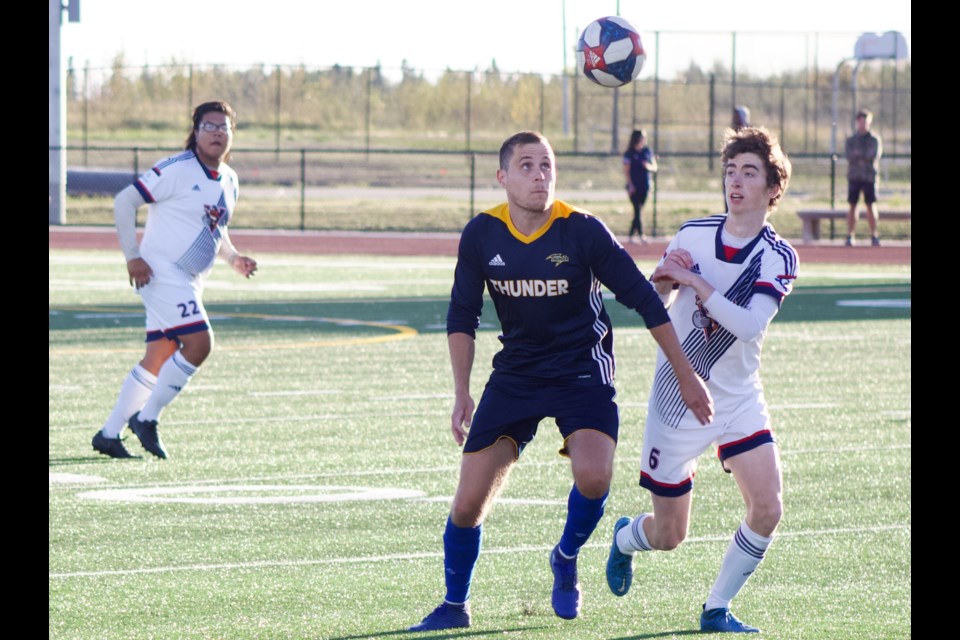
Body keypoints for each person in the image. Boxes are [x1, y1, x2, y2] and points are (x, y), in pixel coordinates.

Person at [407, 131, 714, 632]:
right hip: (517, 376)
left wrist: (686, 375)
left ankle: (566, 555)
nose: (539, 175)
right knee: (466, 504)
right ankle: (454, 605)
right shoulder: (482, 234)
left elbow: (643, 298)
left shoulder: (583, 230)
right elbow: (462, 314)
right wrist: (461, 393)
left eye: (547, 165)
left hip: (582, 372)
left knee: (595, 477)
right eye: (527, 166)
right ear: (503, 177)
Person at [605, 126, 798, 634]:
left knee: (768, 508)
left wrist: (697, 281)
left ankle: (716, 609)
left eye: (749, 173)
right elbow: (661, 305)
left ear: (773, 189)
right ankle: (626, 537)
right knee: (670, 535)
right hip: (677, 398)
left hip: (736, 398)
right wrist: (667, 282)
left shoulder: (778, 255)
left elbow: (750, 323)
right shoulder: (693, 235)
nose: (735, 181)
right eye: (730, 171)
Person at [91, 100, 258, 460]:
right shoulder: (177, 168)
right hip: (161, 272)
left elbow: (217, 230)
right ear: (195, 131)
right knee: (200, 344)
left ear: (232, 134)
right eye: (209, 126)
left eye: (224, 127)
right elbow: (124, 202)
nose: (217, 133)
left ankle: (108, 435)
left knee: (160, 354)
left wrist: (234, 258)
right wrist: (132, 257)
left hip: (191, 280)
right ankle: (146, 418)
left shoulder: (229, 179)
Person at [844, 108, 883, 246]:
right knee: (853, 206)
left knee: (870, 206)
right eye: (860, 121)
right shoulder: (851, 140)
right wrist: (861, 156)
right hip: (854, 177)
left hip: (869, 178)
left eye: (865, 121)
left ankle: (874, 235)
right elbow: (850, 156)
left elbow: (873, 155)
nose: (863, 124)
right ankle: (850, 235)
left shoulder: (874, 139)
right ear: (857, 122)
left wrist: (859, 155)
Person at [622, 129, 658, 244]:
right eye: (643, 137)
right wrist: (630, 185)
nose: (644, 139)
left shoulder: (647, 151)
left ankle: (631, 235)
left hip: (645, 185)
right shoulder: (629, 153)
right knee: (637, 210)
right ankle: (641, 235)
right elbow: (627, 171)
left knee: (639, 210)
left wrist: (648, 166)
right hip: (634, 186)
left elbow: (654, 167)